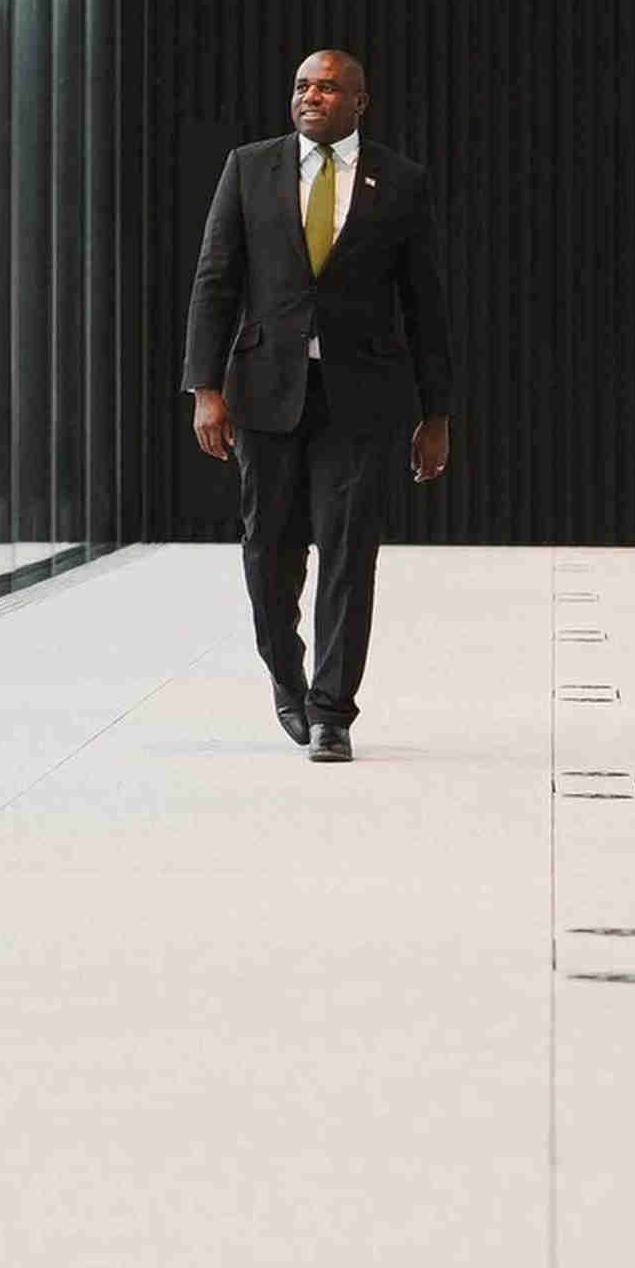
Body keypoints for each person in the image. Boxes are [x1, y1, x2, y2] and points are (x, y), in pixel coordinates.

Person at [181, 50, 454, 761]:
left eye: (328, 87)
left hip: (364, 399)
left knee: (348, 551)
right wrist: (204, 389)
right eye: (302, 85)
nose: (311, 96)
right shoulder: (249, 167)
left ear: (359, 102)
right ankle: (286, 673)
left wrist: (438, 412)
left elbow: (426, 303)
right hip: (265, 393)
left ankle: (333, 711)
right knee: (268, 550)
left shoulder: (399, 182)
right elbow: (216, 280)